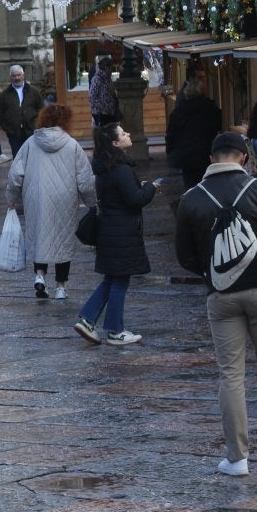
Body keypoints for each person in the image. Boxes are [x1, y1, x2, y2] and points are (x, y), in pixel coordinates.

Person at [175, 132, 257, 477]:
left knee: (230, 374)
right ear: (244, 158)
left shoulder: (191, 198)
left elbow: (184, 256)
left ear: (211, 157)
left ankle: (237, 458)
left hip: (220, 295)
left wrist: (211, 269)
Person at [73, 123, 159, 346]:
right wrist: (151, 188)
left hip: (109, 229)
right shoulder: (121, 169)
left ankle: (87, 319)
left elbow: (120, 194)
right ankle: (115, 330)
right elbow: (135, 200)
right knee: (120, 280)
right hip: (122, 231)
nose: (128, 134)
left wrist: (137, 187)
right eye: (123, 133)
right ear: (115, 143)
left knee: (112, 278)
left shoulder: (106, 168)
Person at [6, 104, 95, 301]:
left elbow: (15, 175)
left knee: (40, 235)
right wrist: (92, 203)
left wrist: (11, 198)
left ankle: (39, 276)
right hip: (66, 197)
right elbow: (85, 180)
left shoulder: (30, 143)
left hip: (36, 196)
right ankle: (61, 287)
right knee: (63, 238)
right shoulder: (72, 145)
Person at [166, 78, 223, 189]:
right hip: (205, 153)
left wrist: (170, 151)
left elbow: (171, 134)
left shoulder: (178, 112)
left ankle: (192, 203)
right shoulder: (210, 109)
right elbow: (217, 126)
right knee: (207, 183)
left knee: (190, 184)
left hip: (185, 155)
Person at [0, 64, 42, 158]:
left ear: (23, 75)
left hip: (31, 131)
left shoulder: (33, 92)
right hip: (14, 133)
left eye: (19, 75)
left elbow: (41, 109)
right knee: (18, 158)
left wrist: (36, 126)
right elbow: (0, 114)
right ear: (10, 77)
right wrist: (8, 129)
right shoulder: (5, 94)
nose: (17, 78)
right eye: (14, 76)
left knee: (32, 157)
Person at [88, 54, 120, 127]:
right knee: (103, 133)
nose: (111, 71)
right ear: (106, 67)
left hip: (109, 112)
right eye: (110, 68)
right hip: (100, 113)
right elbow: (91, 97)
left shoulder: (108, 79)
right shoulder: (97, 79)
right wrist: (102, 108)